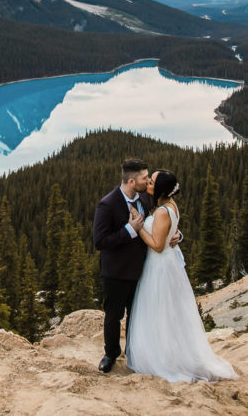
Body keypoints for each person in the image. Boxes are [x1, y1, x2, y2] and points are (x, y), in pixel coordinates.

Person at [125, 170, 238, 383]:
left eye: (152, 182)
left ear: (160, 189)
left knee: (160, 311)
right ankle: (172, 352)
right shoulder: (171, 205)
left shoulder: (161, 212)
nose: (148, 183)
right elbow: (169, 232)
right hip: (169, 264)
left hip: (159, 266)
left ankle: (164, 358)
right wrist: (176, 235)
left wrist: (138, 228)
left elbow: (158, 246)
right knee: (171, 312)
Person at [92, 158, 181, 373]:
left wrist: (177, 234)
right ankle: (111, 354)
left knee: (137, 314)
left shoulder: (145, 197)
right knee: (113, 315)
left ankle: (134, 352)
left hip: (143, 270)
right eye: (144, 178)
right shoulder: (108, 204)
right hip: (116, 271)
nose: (148, 181)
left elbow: (163, 222)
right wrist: (130, 230)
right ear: (132, 182)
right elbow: (100, 241)